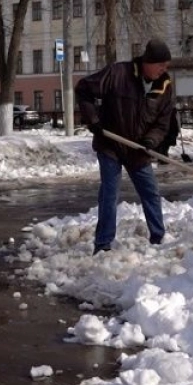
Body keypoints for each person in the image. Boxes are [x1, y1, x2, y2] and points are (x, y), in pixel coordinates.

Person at [76, 37, 176, 254]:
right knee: (109, 193)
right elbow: (84, 89)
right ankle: (103, 244)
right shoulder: (118, 73)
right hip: (110, 143)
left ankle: (158, 238)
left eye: (166, 66)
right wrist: (92, 119)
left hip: (138, 148)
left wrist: (151, 141)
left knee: (150, 192)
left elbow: (162, 122)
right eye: (160, 65)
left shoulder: (165, 86)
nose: (163, 69)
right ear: (148, 62)